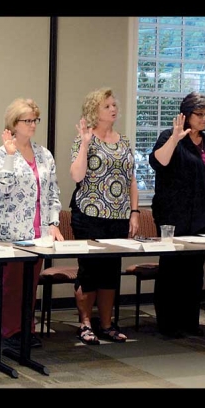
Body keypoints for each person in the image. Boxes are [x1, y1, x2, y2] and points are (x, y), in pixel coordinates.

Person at [0, 98, 64, 352]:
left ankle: (27, 328)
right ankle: (9, 332)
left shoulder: (44, 154)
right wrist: (10, 156)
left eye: (35, 120)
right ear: (14, 123)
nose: (33, 124)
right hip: (10, 232)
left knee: (30, 285)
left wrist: (53, 223)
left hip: (38, 233)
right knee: (12, 286)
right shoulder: (2, 153)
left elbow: (53, 191)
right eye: (27, 120)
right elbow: (3, 187)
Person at [149, 92, 205, 338]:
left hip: (204, 216)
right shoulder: (170, 137)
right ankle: (168, 323)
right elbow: (158, 162)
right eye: (200, 115)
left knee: (195, 271)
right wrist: (174, 138)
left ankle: (190, 321)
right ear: (186, 115)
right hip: (175, 216)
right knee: (172, 270)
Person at [69, 87, 139, 345]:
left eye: (114, 104)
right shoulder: (84, 139)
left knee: (111, 271)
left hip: (119, 216)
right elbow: (76, 176)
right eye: (107, 106)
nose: (113, 108)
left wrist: (134, 212)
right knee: (90, 271)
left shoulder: (124, 141)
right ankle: (85, 323)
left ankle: (107, 324)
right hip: (89, 215)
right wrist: (86, 144)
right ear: (94, 112)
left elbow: (131, 179)